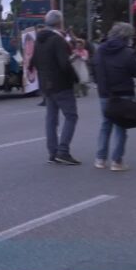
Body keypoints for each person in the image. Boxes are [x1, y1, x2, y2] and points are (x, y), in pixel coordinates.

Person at [29, 10, 81, 165]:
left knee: (51, 119)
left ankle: (53, 152)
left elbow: (34, 62)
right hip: (61, 84)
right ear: (60, 23)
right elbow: (64, 64)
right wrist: (75, 78)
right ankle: (63, 151)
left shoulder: (39, 40)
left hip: (46, 84)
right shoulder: (58, 41)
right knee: (71, 116)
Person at [94, 23, 136, 171]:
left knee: (105, 124)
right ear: (126, 36)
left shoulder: (100, 50)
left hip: (105, 93)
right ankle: (117, 161)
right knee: (121, 126)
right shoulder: (127, 52)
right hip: (123, 93)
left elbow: (94, 67)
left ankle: (100, 159)